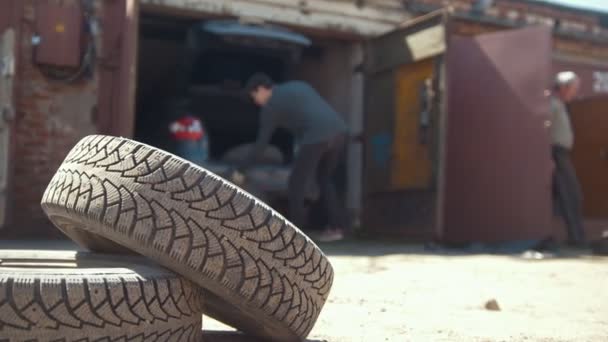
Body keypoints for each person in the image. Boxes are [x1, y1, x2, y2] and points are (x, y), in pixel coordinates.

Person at [243, 73, 349, 242]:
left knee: (296, 183)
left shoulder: (270, 105)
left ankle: (297, 234)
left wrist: (241, 168)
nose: (255, 101)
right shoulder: (299, 85)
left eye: (254, 96)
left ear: (262, 89)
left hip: (316, 136)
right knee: (325, 179)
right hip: (339, 132)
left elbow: (261, 144)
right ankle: (338, 228)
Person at [550, 71, 586, 247]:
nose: (575, 93)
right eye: (573, 89)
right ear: (563, 88)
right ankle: (575, 238)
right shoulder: (553, 105)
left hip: (561, 153)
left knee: (572, 194)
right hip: (557, 153)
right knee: (570, 194)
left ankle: (576, 236)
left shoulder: (560, 105)